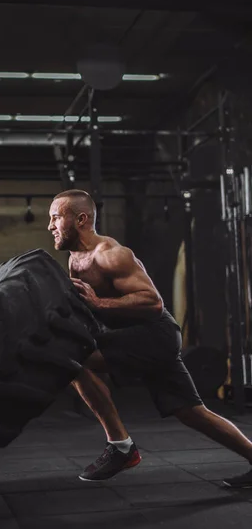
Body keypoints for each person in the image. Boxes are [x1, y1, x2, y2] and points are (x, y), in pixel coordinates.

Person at [47, 189, 252, 488]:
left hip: (154, 334)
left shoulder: (109, 254)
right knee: (192, 412)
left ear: (81, 219)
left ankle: (121, 446)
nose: (50, 226)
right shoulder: (75, 258)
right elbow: (92, 307)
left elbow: (152, 301)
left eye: (55, 217)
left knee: (72, 359)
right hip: (141, 337)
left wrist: (99, 305)